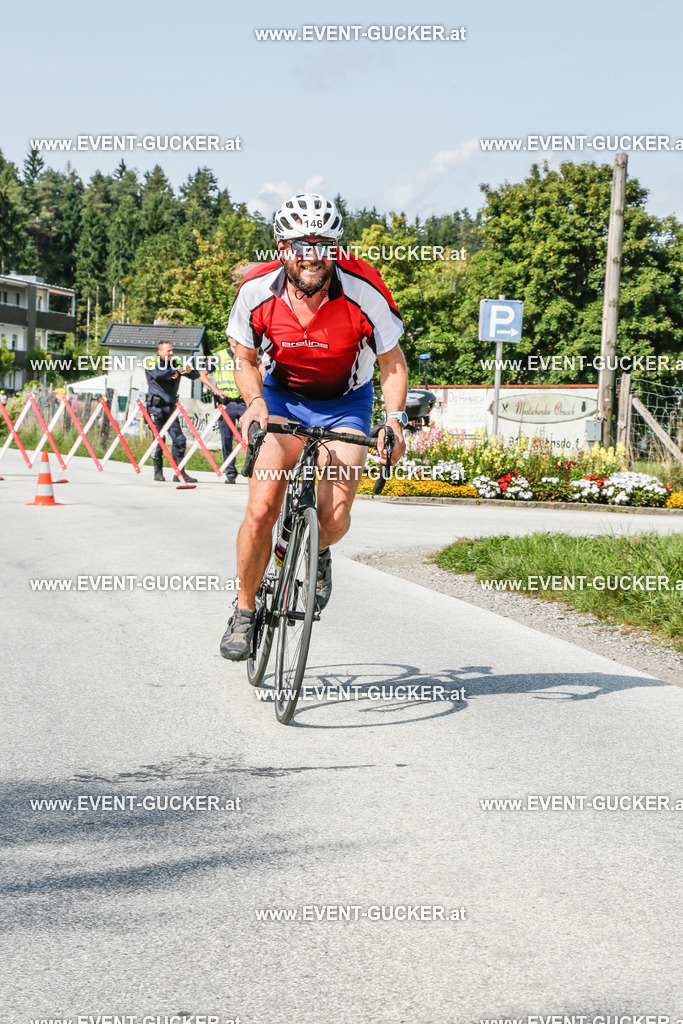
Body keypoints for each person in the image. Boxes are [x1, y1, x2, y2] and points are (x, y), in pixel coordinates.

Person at [219, 192, 408, 660]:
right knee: (262, 509)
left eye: (323, 244)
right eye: (301, 245)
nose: (312, 255)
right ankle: (244, 610)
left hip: (346, 403)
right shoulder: (256, 290)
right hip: (281, 399)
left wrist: (395, 421)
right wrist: (255, 403)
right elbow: (243, 358)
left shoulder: (364, 289)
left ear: (336, 248)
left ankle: (318, 551)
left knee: (334, 518)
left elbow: (392, 362)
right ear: (282, 247)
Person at [145, 341, 199, 483]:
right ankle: (158, 472)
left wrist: (188, 370)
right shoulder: (151, 361)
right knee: (159, 440)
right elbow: (157, 374)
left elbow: (195, 375)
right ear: (159, 352)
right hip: (155, 408)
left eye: (171, 350)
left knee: (179, 439)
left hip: (170, 408)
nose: (171, 353)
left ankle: (179, 473)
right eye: (168, 351)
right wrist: (173, 372)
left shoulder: (175, 362)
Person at [198, 348, 247, 484]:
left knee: (253, 436)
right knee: (226, 439)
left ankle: (252, 469)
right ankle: (230, 473)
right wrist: (215, 390)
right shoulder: (219, 356)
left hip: (243, 402)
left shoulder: (246, 353)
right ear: (229, 339)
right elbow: (202, 374)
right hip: (226, 403)